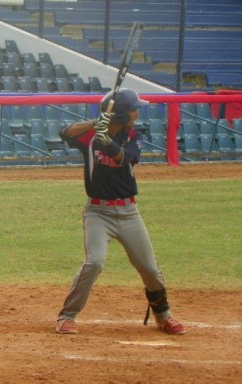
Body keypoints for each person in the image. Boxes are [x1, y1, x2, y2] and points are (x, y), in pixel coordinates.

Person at [55, 88, 185, 336]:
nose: (137, 113)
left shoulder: (134, 136)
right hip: (97, 213)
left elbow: (125, 158)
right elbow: (65, 132)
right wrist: (96, 124)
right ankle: (66, 316)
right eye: (134, 109)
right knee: (94, 262)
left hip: (128, 213)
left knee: (149, 268)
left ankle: (163, 315)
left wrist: (108, 141)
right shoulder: (92, 136)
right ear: (121, 116)